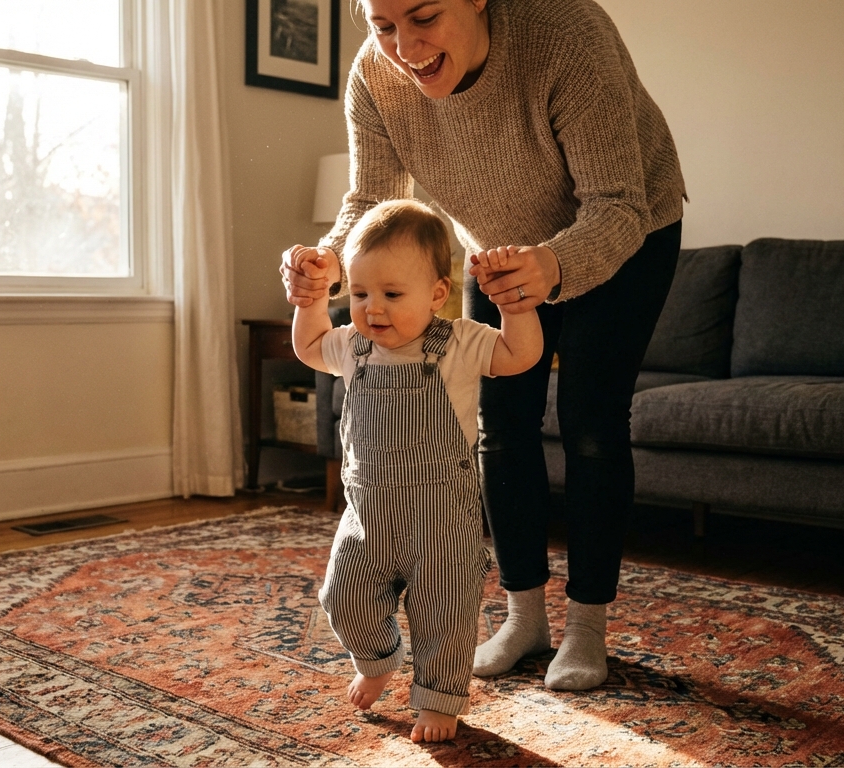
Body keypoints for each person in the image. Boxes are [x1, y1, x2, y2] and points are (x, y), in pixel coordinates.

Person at [280, 0, 687, 692]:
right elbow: (371, 200)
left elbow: (617, 204)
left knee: (590, 425)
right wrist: (327, 263)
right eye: (382, 26)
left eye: (424, 17)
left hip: (627, 231)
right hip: (493, 252)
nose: (404, 46)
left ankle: (587, 628)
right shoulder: (373, 77)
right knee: (499, 428)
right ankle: (524, 617)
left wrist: (552, 267)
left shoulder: (564, 33)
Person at [291, 200, 542, 743]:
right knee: (342, 597)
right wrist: (311, 298)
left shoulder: (459, 343)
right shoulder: (353, 348)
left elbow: (520, 356)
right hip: (367, 516)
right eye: (359, 294)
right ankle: (377, 656)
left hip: (442, 521)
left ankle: (438, 699)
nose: (372, 309)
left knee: (445, 617)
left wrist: (515, 306)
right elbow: (309, 345)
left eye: (391, 294)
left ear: (436, 293)